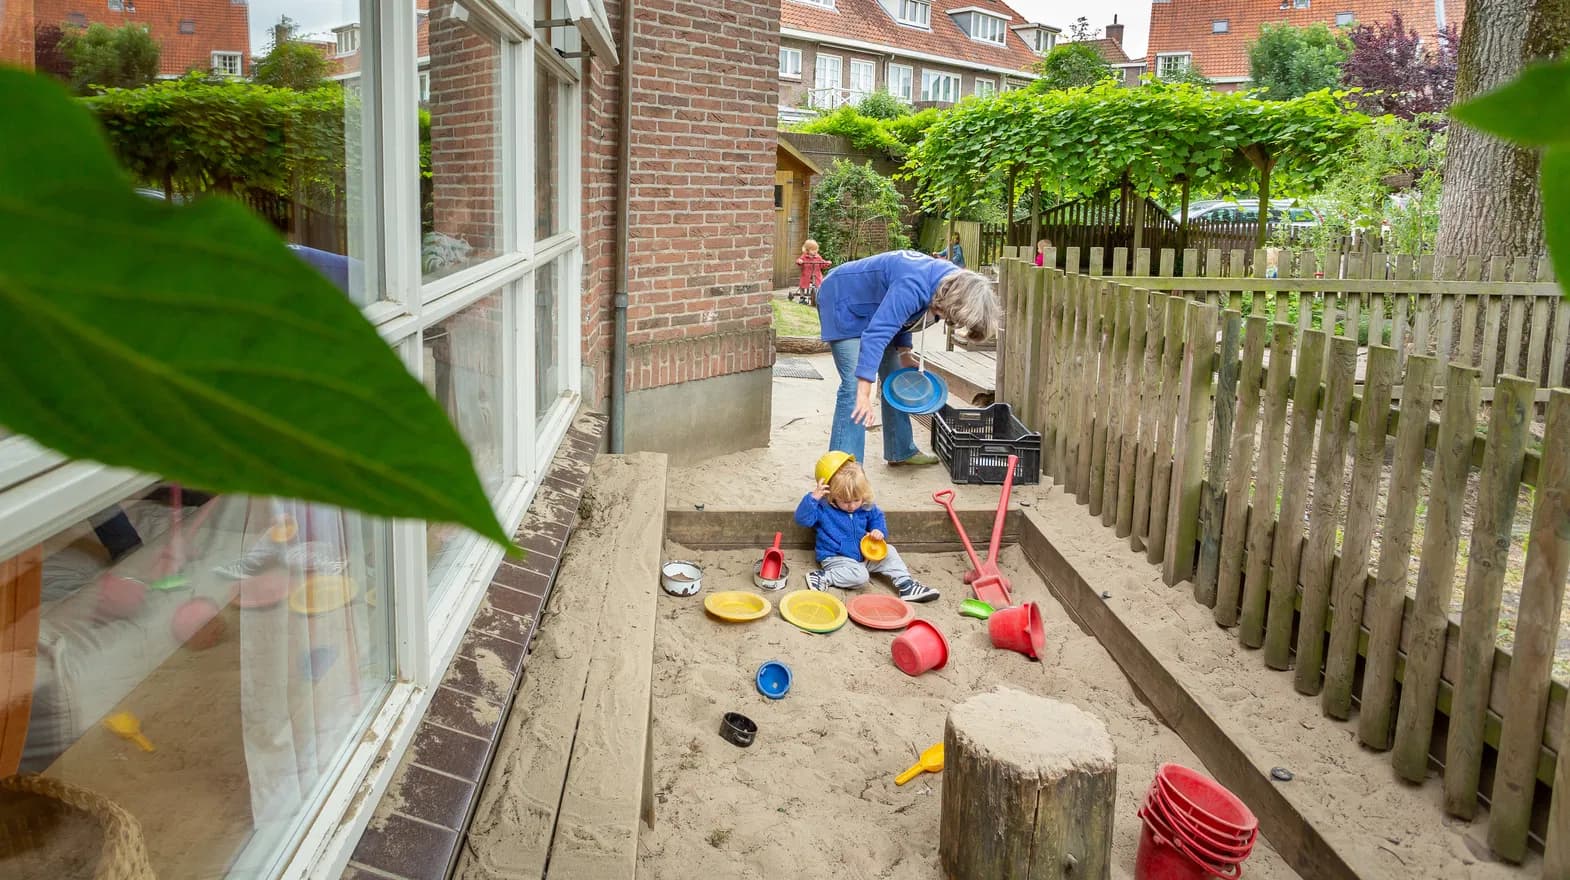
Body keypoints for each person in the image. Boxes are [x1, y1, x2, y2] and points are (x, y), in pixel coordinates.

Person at [816, 249, 1000, 466]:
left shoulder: (948, 281)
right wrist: (865, 392)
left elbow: (901, 315)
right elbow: (878, 333)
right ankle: (845, 472)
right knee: (854, 386)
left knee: (896, 378)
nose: (950, 321)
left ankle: (901, 450)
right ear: (957, 301)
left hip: (873, 309)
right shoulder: (914, 284)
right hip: (842, 301)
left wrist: (904, 352)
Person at [794, 453, 938, 602]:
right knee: (861, 577)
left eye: (856, 499)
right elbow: (802, 519)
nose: (852, 506)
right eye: (845, 501)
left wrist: (878, 531)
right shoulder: (823, 507)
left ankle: (906, 585)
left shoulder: (865, 505)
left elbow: (877, 517)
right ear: (831, 494)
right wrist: (812, 499)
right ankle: (823, 576)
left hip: (865, 554)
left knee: (890, 552)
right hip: (837, 557)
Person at [795, 239, 831, 305]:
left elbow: (822, 264)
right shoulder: (804, 257)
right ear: (807, 250)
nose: (815, 251)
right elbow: (798, 261)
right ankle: (802, 298)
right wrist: (800, 261)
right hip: (806, 274)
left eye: (816, 249)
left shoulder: (818, 257)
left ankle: (819, 296)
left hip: (816, 274)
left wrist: (827, 263)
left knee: (820, 284)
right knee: (802, 284)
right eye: (813, 250)